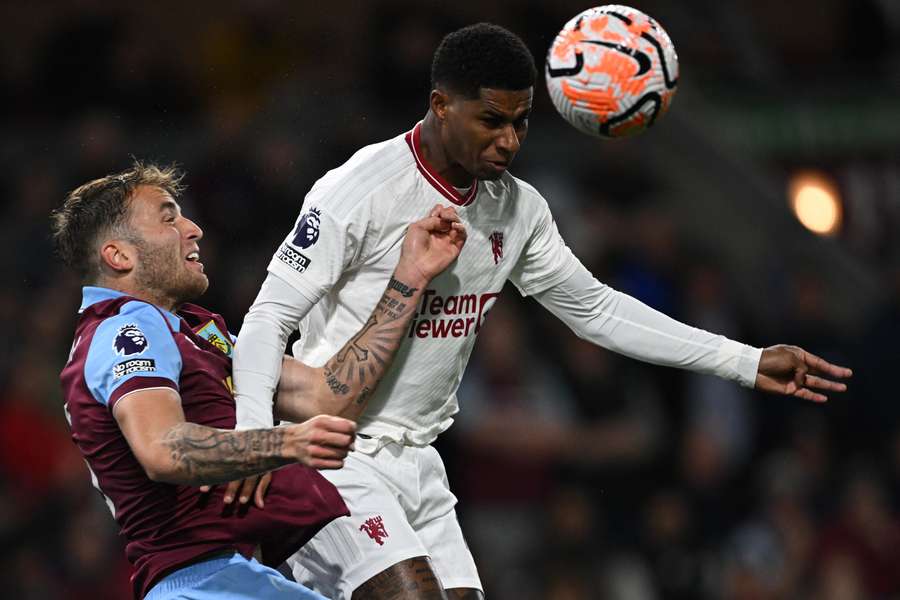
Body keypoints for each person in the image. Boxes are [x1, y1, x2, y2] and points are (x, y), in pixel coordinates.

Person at [231, 23, 852, 600]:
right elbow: (265, 320)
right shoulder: (360, 189)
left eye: (522, 123)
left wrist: (742, 361)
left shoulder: (518, 211)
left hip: (421, 464)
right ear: (441, 104)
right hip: (335, 453)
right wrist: (251, 442)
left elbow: (598, 311)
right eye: (491, 120)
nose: (509, 140)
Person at [53, 161, 467, 599]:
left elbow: (323, 395)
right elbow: (162, 449)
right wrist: (282, 443)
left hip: (241, 577)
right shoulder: (124, 329)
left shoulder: (194, 332)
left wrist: (408, 279)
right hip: (198, 585)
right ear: (120, 256)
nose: (193, 229)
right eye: (169, 218)